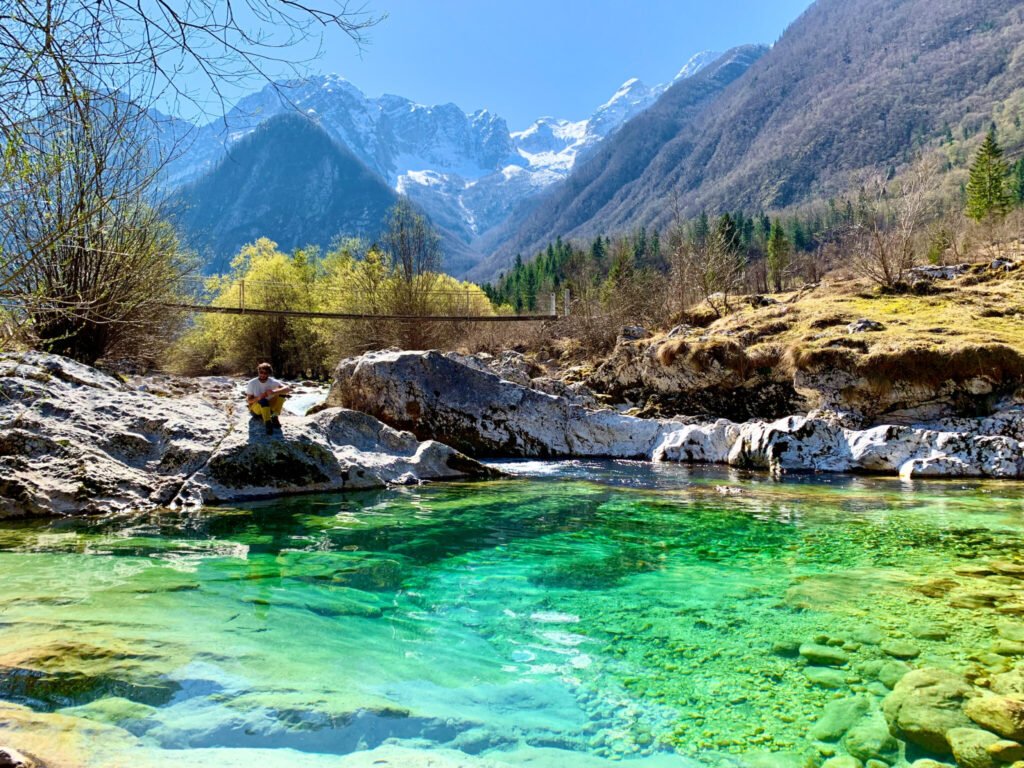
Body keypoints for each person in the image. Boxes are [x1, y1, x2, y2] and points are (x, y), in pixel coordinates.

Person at [245, 362, 291, 434]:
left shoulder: (272, 381)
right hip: (256, 410)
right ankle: (268, 423)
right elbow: (249, 401)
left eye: (265, 373)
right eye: (261, 372)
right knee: (263, 400)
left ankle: (274, 416)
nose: (263, 374)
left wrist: (274, 392)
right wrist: (258, 398)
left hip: (269, 407)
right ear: (258, 372)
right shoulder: (252, 383)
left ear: (269, 373)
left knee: (282, 393)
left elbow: (287, 389)